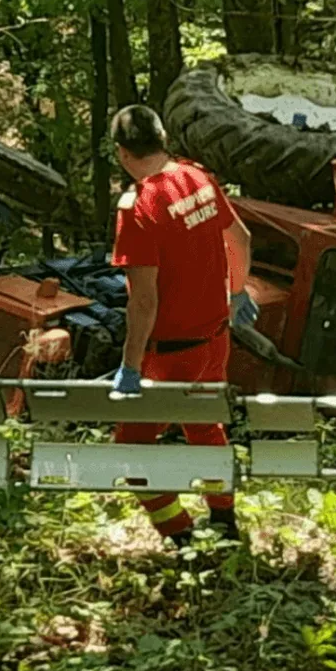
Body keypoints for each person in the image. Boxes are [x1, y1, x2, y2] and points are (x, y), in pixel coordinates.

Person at [107, 104, 257, 548]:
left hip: (171, 353)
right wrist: (237, 292)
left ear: (121, 153)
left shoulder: (138, 207)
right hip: (216, 337)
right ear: (163, 138)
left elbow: (144, 301)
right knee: (205, 424)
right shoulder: (197, 177)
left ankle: (182, 538)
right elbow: (241, 238)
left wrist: (130, 366)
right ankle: (225, 522)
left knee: (132, 451)